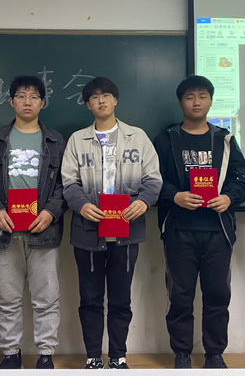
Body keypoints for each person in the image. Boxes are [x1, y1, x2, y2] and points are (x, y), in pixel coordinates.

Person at [61, 77, 162, 369]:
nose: (101, 100)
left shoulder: (137, 137)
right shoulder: (77, 140)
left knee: (121, 299)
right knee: (90, 299)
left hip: (126, 230)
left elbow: (153, 178)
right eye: (94, 97)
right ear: (88, 105)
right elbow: (68, 182)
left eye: (106, 95)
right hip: (88, 230)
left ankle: (118, 356)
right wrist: (82, 205)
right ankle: (93, 356)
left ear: (115, 100)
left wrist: (144, 201)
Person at [152, 76, 245, 369]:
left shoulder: (225, 140)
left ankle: (214, 354)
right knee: (179, 296)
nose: (196, 102)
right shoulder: (166, 139)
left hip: (218, 231)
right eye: (190, 97)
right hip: (179, 230)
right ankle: (181, 353)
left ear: (211, 101)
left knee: (218, 295)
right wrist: (175, 196)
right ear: (180, 102)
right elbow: (152, 179)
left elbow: (242, 179)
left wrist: (229, 198)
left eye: (202, 96)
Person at [0, 75, 67, 370]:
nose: (27, 101)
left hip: (43, 231)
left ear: (42, 102)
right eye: (21, 96)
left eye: (33, 96)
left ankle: (46, 354)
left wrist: (51, 212)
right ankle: (11, 353)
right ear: (11, 101)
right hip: (5, 232)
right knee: (7, 297)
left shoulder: (55, 141)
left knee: (46, 298)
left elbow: (65, 185)